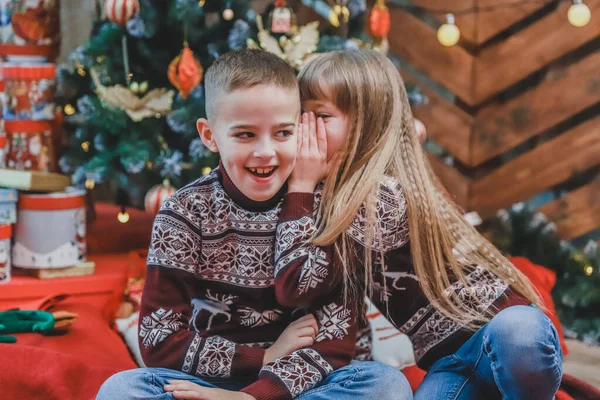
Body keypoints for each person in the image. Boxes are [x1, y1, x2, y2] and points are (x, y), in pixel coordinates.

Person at [96, 48, 410, 400]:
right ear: (210, 135)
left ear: (301, 130)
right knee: (121, 390)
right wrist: (263, 357)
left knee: (386, 385)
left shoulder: (332, 208)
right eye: (245, 135)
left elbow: (335, 340)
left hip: (301, 384)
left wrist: (256, 395)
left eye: (282, 133)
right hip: (211, 384)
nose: (265, 152)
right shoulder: (184, 211)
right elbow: (159, 340)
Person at [274, 49, 563, 400]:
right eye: (301, 116)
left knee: (517, 331)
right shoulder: (349, 187)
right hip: (451, 363)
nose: (305, 129)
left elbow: (295, 285)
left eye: (320, 115)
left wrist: (300, 187)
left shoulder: (378, 195)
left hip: (501, 332)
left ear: (367, 125)